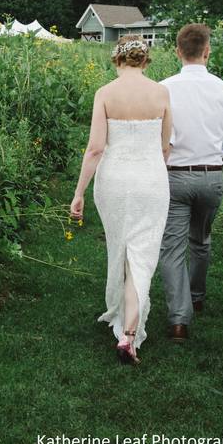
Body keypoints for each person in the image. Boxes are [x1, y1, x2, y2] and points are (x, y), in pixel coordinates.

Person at [70, 35, 172, 365]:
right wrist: (153, 172)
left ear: (117, 61)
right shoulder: (161, 93)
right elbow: (165, 146)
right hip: (151, 180)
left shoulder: (105, 93)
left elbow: (96, 149)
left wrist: (79, 192)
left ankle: (125, 325)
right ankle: (129, 333)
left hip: (113, 181)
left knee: (122, 247)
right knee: (141, 252)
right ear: (145, 61)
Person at [157, 23, 223, 343]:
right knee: (201, 239)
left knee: (172, 248)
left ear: (178, 51)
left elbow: (158, 136)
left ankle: (179, 320)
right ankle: (196, 296)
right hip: (211, 174)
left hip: (174, 176)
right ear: (207, 51)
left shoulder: (163, 89)